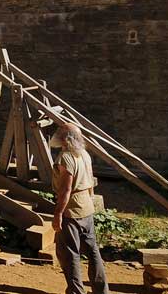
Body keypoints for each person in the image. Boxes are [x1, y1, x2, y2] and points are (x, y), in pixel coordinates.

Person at [51, 123, 109, 294]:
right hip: (87, 208)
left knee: (69, 255)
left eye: (60, 133)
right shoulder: (84, 154)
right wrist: (89, 202)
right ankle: (101, 291)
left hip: (72, 211)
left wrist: (58, 214)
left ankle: (76, 291)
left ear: (64, 139)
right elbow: (90, 182)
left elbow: (65, 190)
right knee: (92, 252)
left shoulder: (66, 158)